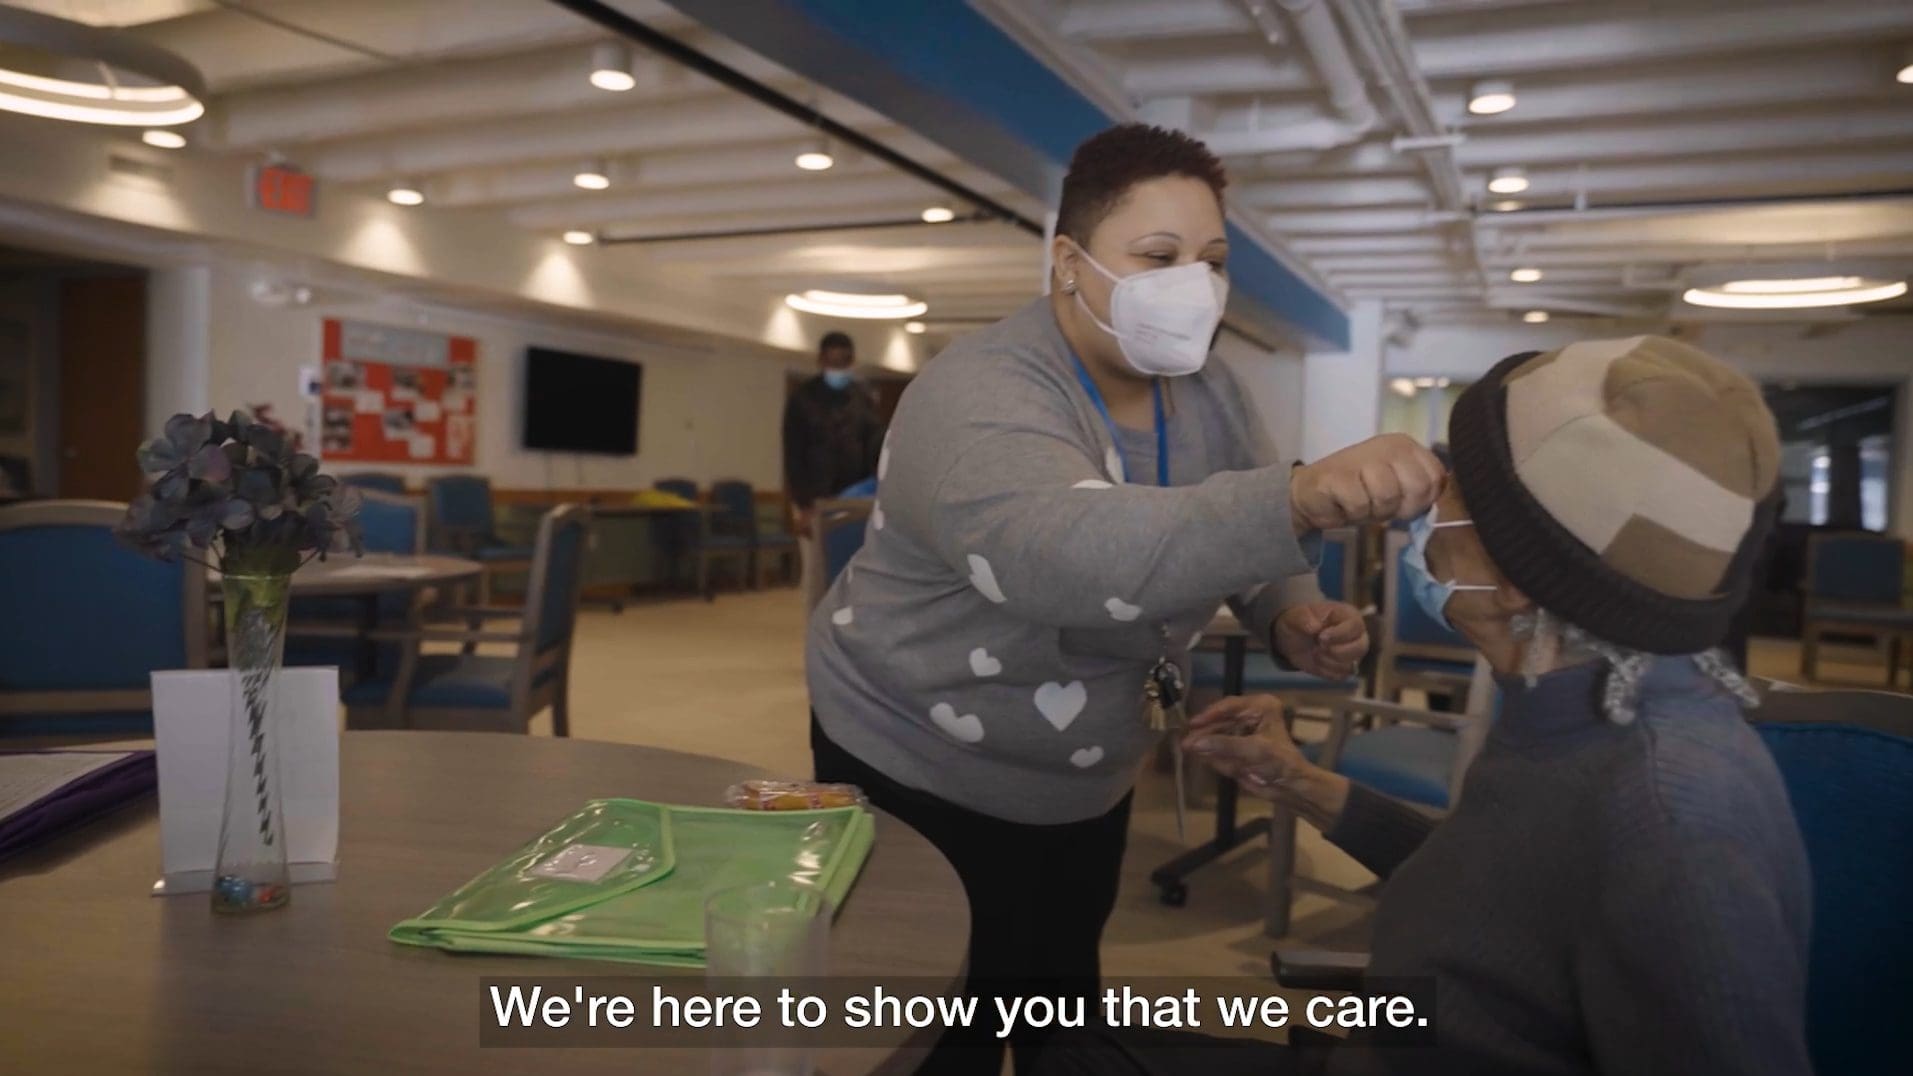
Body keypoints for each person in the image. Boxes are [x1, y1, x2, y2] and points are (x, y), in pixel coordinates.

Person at [805, 123, 1443, 1075]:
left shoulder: (1209, 387)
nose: (1194, 283)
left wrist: (1286, 607)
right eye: (1157, 256)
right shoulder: (979, 391)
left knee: (1058, 1004)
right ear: (1068, 263)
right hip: (917, 755)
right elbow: (1059, 555)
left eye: (1212, 260)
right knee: (933, 1031)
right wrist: (1300, 494)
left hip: (1084, 763)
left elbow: (1234, 525)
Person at [1037, 335, 1812, 1076]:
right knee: (1059, 1036)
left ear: (1517, 578)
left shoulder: (1674, 819)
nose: (1424, 504)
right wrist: (1301, 781)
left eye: (1454, 489)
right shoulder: (1573, 702)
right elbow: (1500, 896)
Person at [783, 330, 884, 608]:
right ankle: (816, 633)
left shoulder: (861, 399)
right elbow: (793, 454)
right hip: (815, 500)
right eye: (832, 361)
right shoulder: (803, 400)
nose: (837, 367)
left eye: (843, 361)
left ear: (852, 361)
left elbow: (874, 446)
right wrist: (802, 506)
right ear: (820, 360)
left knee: (855, 570)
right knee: (817, 573)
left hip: (856, 499)